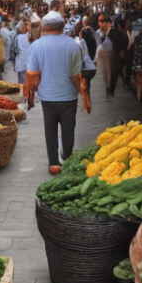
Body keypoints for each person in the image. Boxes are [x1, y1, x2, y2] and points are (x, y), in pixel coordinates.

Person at [24, 11, 82, 174]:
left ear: (44, 27)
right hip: (69, 96)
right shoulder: (73, 45)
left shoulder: (37, 45)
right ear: (62, 26)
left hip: (47, 97)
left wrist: (34, 88)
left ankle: (54, 163)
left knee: (50, 130)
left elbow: (33, 75)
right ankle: (67, 157)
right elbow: (75, 75)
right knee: (68, 129)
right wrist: (80, 91)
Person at [97, 13, 128, 99]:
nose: (100, 24)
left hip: (114, 54)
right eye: (99, 22)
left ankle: (110, 90)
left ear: (109, 23)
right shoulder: (103, 33)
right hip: (112, 54)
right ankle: (111, 89)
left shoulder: (114, 33)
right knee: (111, 72)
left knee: (112, 72)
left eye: (102, 22)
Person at [13, 19, 31, 84]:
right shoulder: (30, 36)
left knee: (21, 82)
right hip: (29, 62)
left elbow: (15, 50)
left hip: (20, 62)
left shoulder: (17, 37)